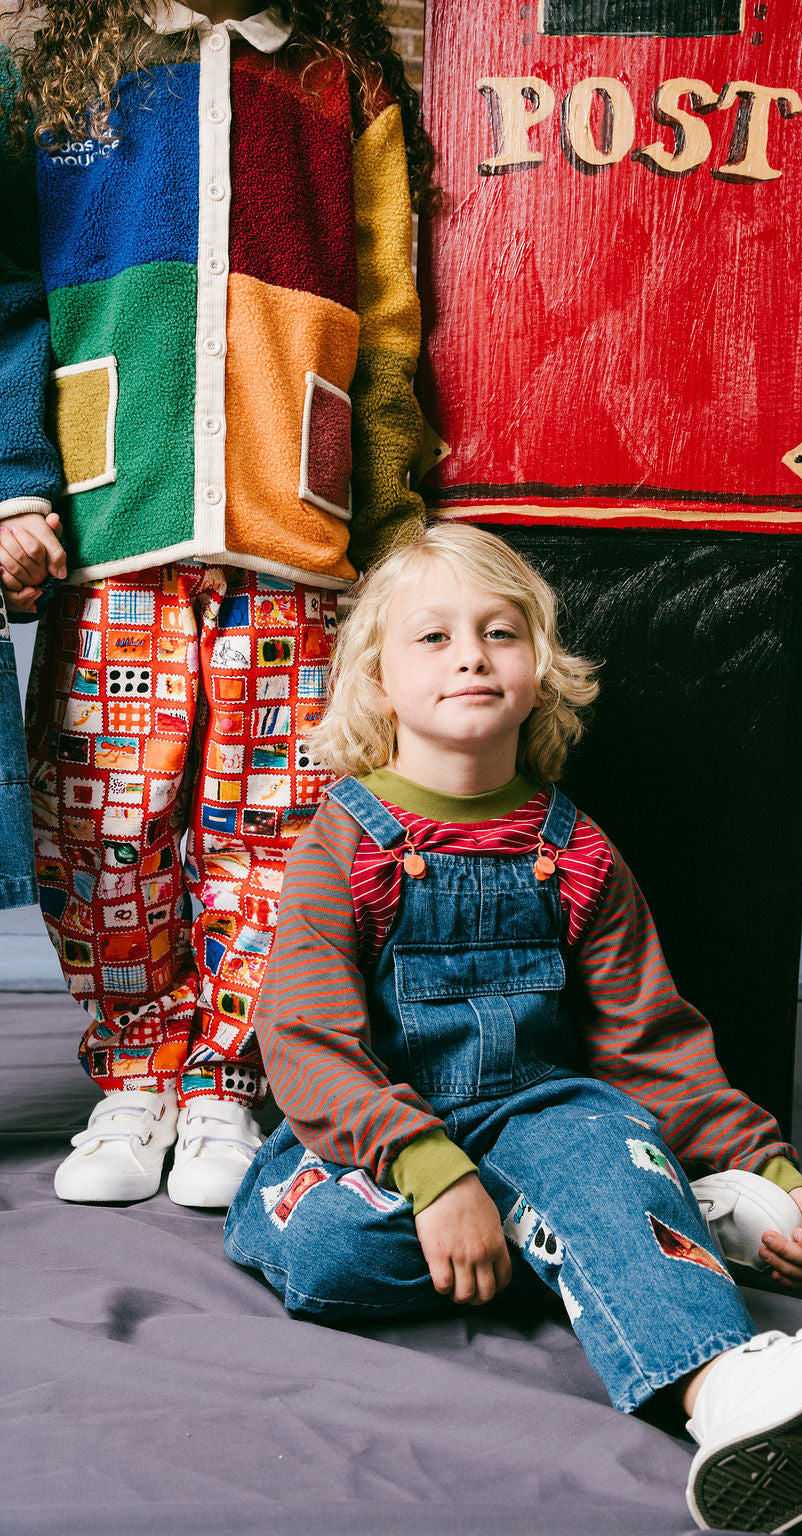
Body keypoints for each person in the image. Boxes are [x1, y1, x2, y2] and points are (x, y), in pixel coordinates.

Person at [225, 523, 802, 1534]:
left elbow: (650, 1040)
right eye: (433, 637)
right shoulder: (343, 843)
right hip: (374, 1140)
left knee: (600, 1154)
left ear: (539, 673)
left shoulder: (579, 851)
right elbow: (306, 1038)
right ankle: (639, 1225)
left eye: (499, 632)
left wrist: (767, 1167)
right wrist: (429, 1170)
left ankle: (735, 1390)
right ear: (376, 683)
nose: (470, 653)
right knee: (326, 1251)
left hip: (545, 1113)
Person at [0, 0, 429, 1205]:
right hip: (113, 517)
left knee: (273, 824)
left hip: (294, 520)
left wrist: (389, 523)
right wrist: (15, 481)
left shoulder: (340, 78)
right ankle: (136, 1075)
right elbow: (11, 294)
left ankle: (224, 1086)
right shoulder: (61, 83)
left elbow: (390, 316)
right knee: (107, 823)